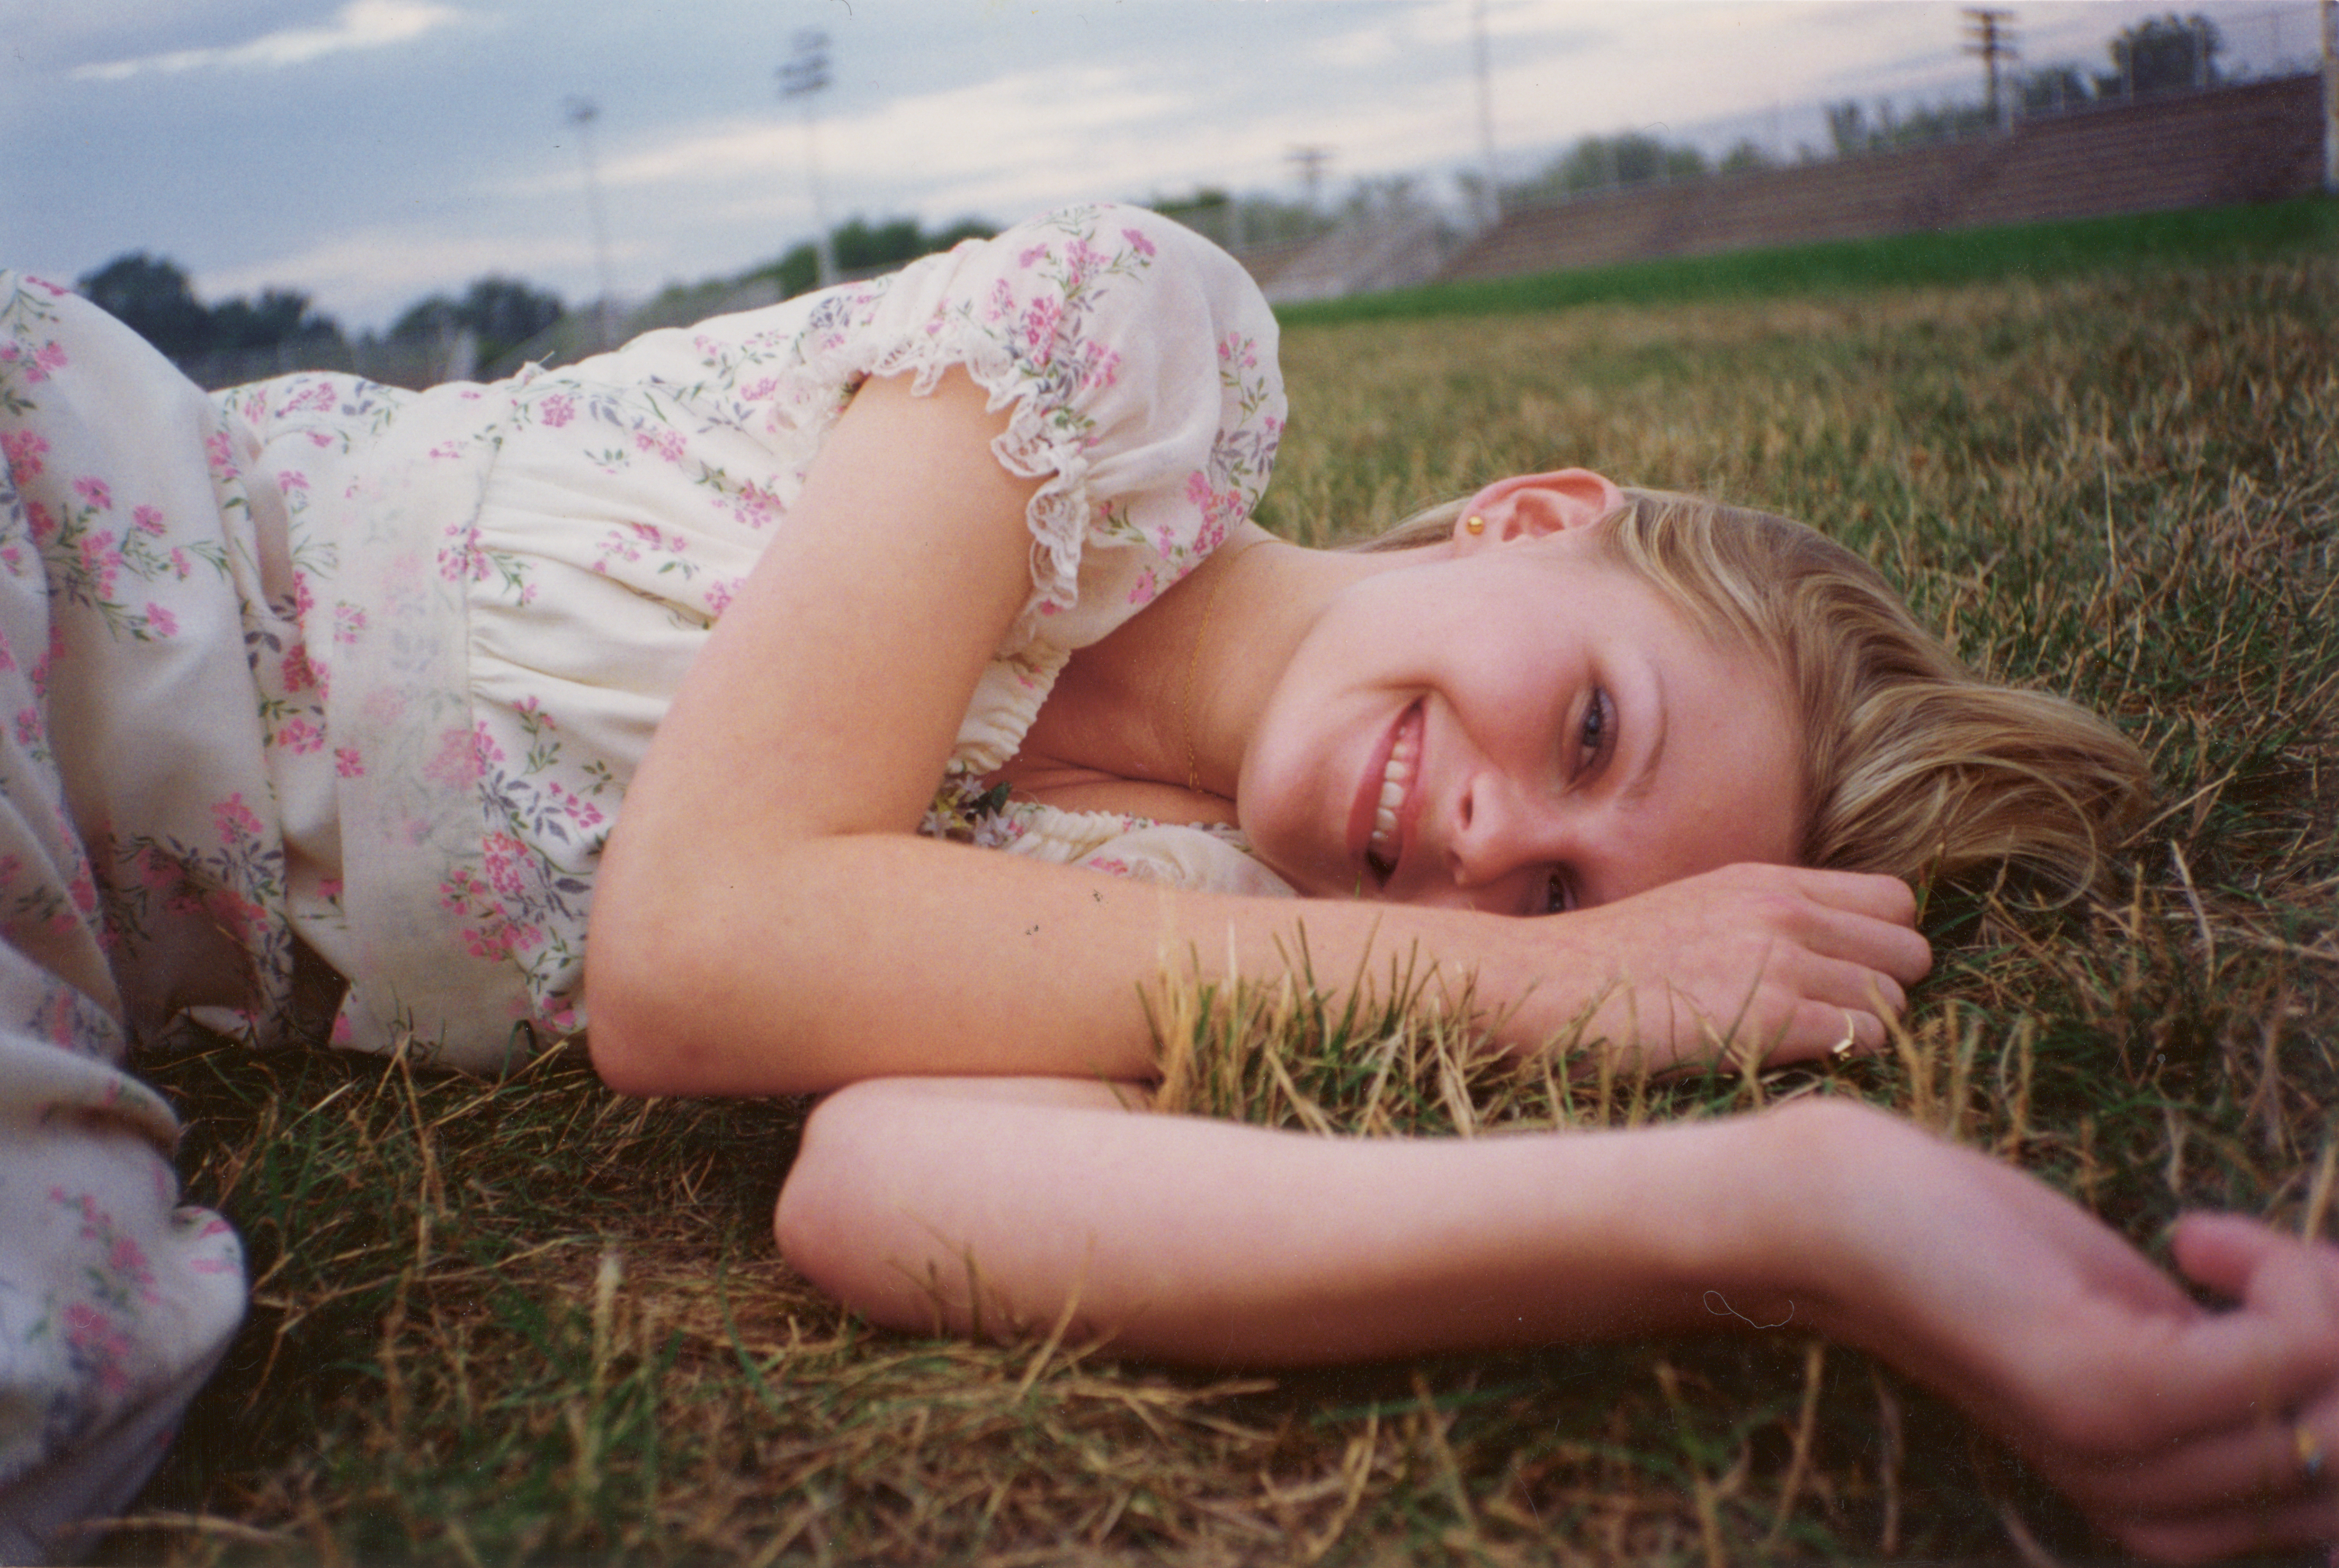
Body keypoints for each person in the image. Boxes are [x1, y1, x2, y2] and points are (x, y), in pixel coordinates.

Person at [0, 203, 2328, 1563]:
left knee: (74, 1380)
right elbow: (692, 963)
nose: (1500, 847)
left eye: (1557, 906)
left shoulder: (1199, 905)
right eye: (1593, 729)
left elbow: (889, 1191)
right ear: (1535, 514)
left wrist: (1793, 1202)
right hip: (66, 557)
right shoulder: (1115, 364)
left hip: (76, 933)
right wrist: (1536, 998)